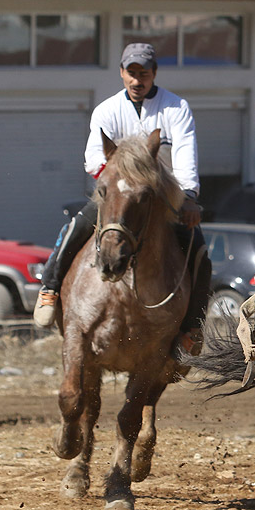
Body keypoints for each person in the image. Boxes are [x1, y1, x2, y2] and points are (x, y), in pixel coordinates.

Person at [33, 42, 211, 356]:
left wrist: (189, 198)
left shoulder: (176, 108)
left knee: (198, 248)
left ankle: (192, 327)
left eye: (144, 73)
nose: (137, 80)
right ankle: (49, 286)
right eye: (131, 73)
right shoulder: (106, 110)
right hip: (117, 193)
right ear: (122, 73)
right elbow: (92, 158)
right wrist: (120, 179)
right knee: (78, 224)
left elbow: (186, 156)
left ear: (154, 73)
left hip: (161, 197)